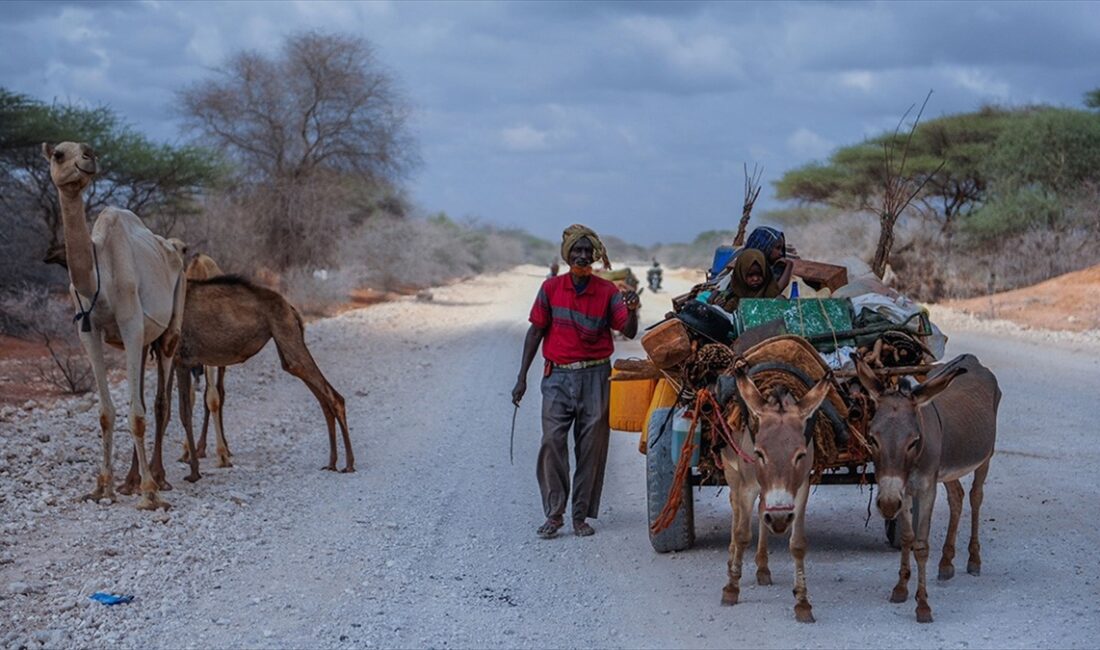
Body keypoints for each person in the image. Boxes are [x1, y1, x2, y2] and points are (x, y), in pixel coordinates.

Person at [512, 224, 640, 539]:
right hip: (556, 376)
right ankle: (554, 514)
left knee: (591, 448)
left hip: (596, 375)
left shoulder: (608, 292)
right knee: (552, 442)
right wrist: (521, 378)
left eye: (587, 251)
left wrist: (633, 309)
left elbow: (630, 331)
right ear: (568, 255)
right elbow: (535, 332)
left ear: (595, 256)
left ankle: (580, 515)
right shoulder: (551, 289)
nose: (582, 256)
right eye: (577, 251)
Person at [710, 249, 782, 312]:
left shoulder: (771, 295)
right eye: (750, 275)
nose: (755, 279)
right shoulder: (732, 298)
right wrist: (718, 308)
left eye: (759, 274)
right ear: (741, 274)